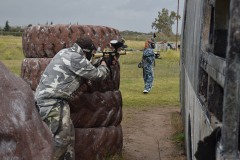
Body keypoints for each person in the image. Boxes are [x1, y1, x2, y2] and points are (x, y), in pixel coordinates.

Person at [34, 35, 110, 160]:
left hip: (54, 102)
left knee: (68, 138)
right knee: (60, 140)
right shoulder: (76, 58)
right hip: (51, 103)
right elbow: (97, 75)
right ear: (86, 52)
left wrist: (99, 60)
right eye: (91, 53)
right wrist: (104, 64)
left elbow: (84, 64)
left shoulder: (66, 52)